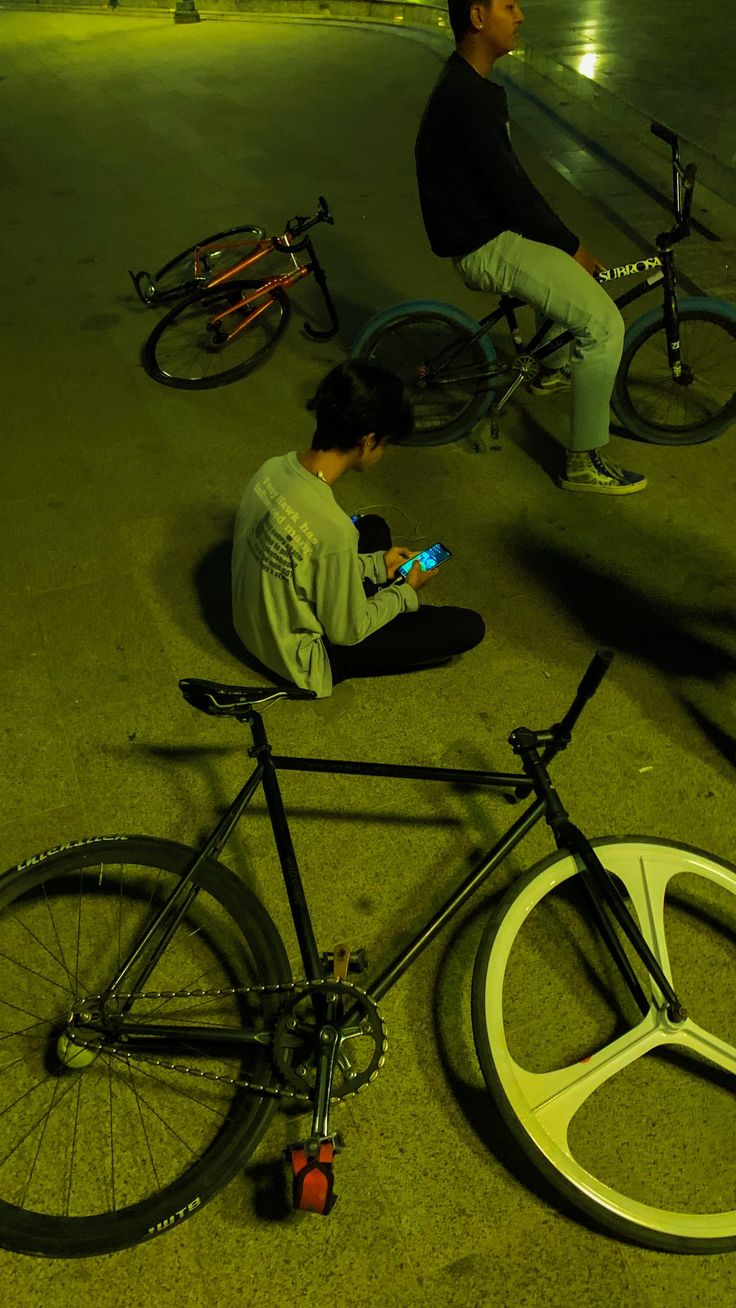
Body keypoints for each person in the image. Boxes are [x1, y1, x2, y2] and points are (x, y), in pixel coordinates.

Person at [415, 0, 647, 495]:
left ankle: (547, 368)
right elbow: (514, 190)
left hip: (484, 229)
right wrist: (572, 245)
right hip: (484, 242)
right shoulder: (467, 97)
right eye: (509, 5)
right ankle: (584, 462)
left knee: (568, 279)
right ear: (477, 17)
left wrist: (561, 244)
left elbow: (508, 185)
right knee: (604, 325)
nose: (520, 16)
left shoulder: (463, 83)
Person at [231, 361, 485, 696]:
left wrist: (377, 564)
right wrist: (404, 593)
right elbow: (347, 631)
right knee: (466, 627)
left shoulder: (271, 469)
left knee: (373, 527)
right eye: (386, 443)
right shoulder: (333, 529)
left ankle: (368, 583)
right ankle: (377, 598)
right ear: (368, 442)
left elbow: (305, 552)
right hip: (301, 658)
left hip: (251, 624)